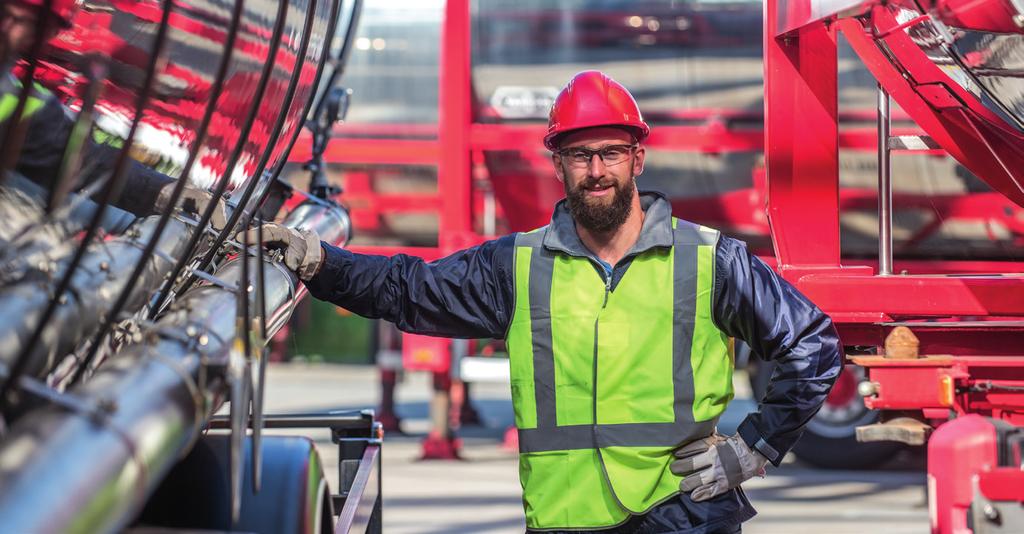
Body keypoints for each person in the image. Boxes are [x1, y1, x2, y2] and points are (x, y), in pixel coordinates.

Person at [251, 70, 842, 533]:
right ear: (557, 163)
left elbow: (811, 345)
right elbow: (410, 290)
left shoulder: (711, 259)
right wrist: (319, 261)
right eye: (581, 156)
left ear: (638, 158)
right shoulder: (519, 266)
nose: (596, 170)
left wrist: (754, 447)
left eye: (610, 153)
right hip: (568, 519)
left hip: (685, 516)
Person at [0, 0, 226, 227]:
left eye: (42, 28)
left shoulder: (20, 103)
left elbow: (75, 158)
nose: (10, 29)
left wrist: (164, 191)